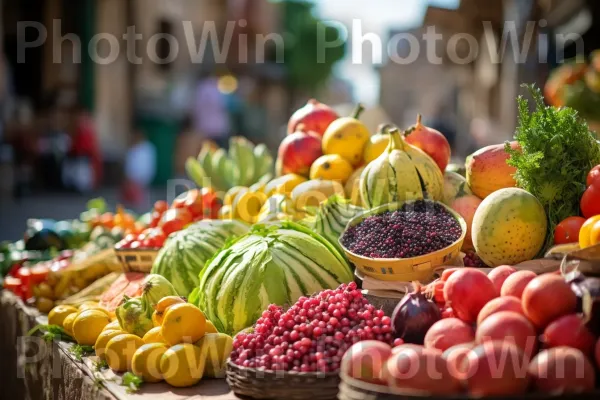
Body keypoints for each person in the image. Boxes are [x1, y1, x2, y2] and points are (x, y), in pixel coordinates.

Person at [63, 106, 102, 193]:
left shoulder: (88, 129)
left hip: (85, 156)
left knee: (83, 173)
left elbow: (90, 145)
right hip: (77, 155)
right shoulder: (76, 128)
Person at [192, 70, 231, 149]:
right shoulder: (216, 88)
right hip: (217, 129)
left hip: (205, 128)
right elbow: (225, 104)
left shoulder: (200, 89)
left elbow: (195, 108)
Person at [121, 130, 156, 209]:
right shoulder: (134, 148)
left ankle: (140, 207)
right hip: (134, 175)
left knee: (140, 193)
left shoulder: (145, 148)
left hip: (140, 174)